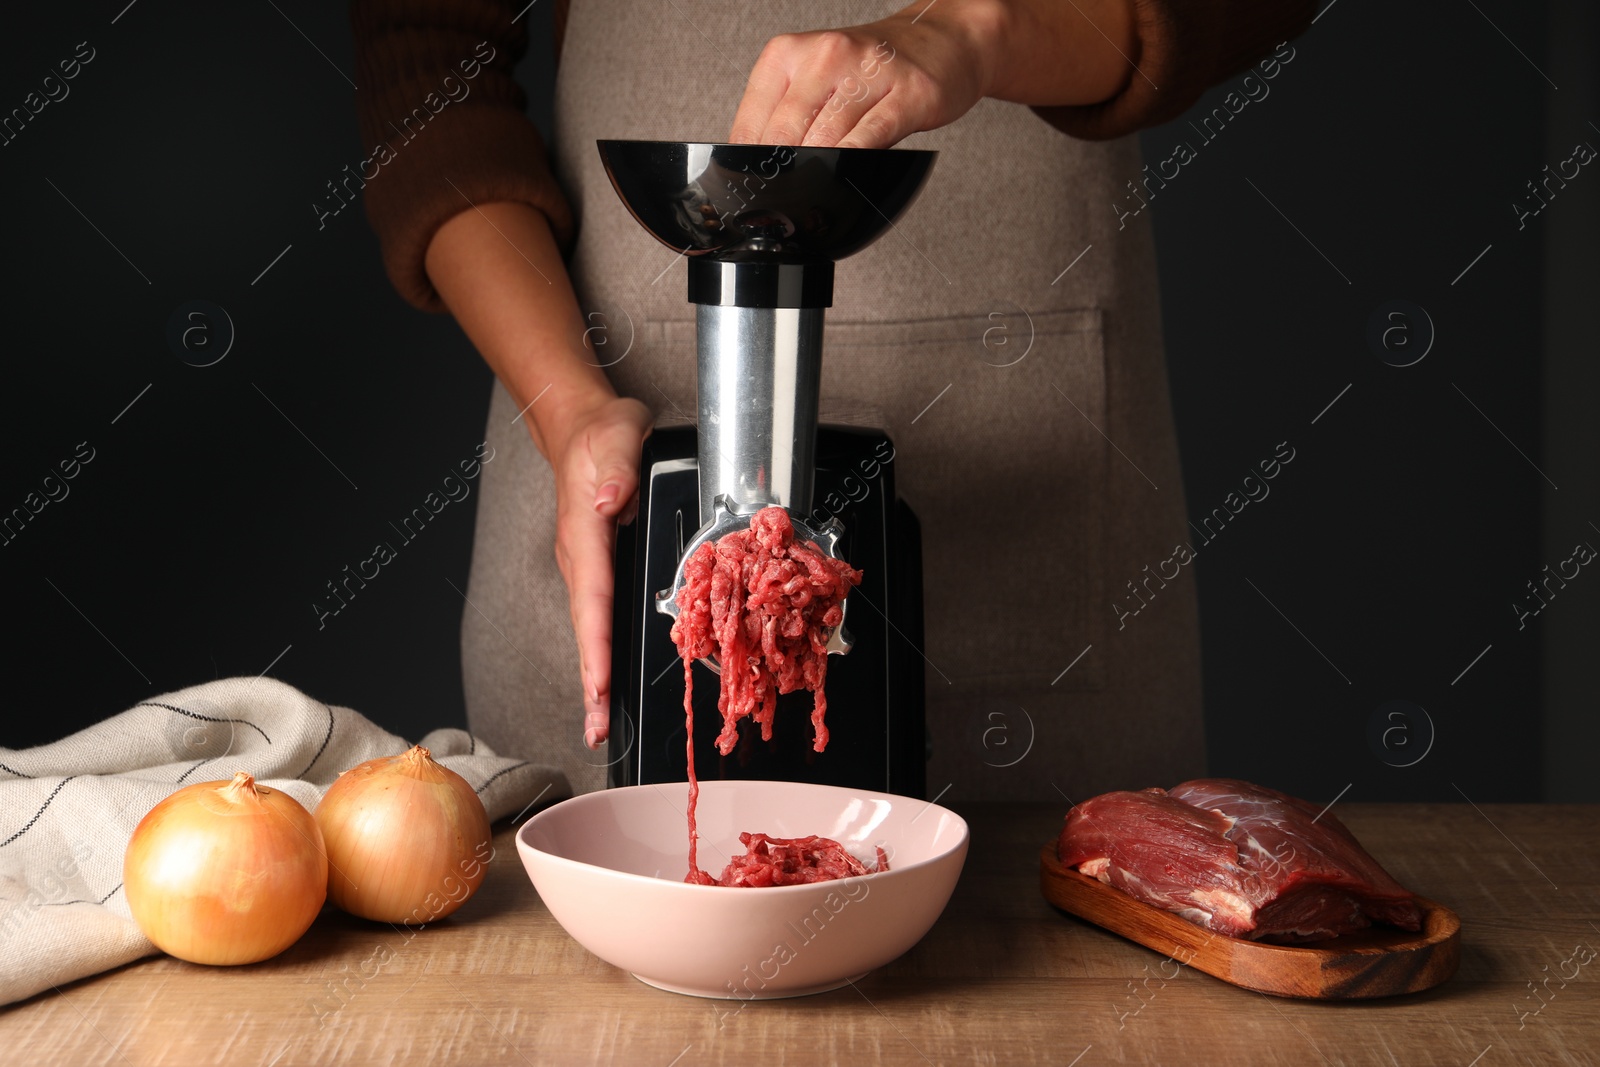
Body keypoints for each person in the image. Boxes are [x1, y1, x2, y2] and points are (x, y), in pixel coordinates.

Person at [350, 0, 1314, 800]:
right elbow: (427, 59)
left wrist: (980, 28)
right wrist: (569, 408)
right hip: (598, 461)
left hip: (1040, 540)